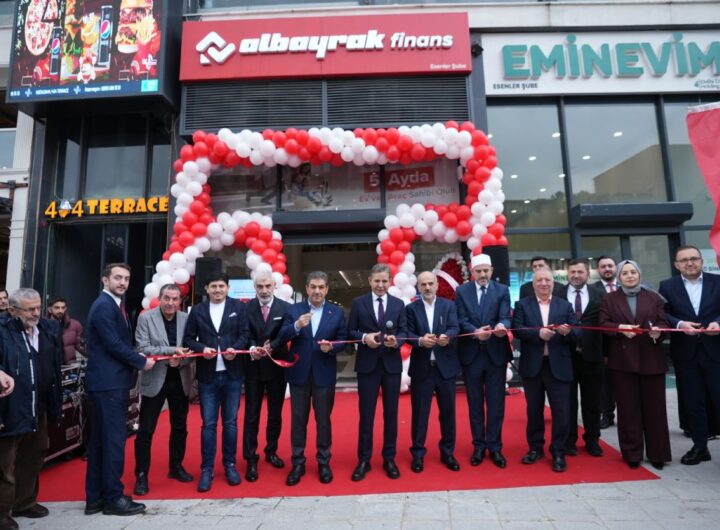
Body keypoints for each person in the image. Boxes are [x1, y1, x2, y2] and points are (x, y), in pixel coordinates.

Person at [85, 263, 155, 517]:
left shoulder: (112, 305)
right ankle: (113, 498)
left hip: (106, 383)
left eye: (126, 278)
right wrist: (140, 361)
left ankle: (96, 498)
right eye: (117, 278)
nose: (123, 282)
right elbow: (113, 344)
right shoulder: (104, 306)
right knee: (113, 442)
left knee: (100, 443)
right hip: (109, 384)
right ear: (105, 280)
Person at [600, 260, 671, 469]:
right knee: (628, 409)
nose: (630, 276)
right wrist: (620, 328)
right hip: (623, 362)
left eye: (633, 272)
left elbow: (663, 321)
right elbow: (603, 324)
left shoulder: (653, 297)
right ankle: (632, 454)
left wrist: (658, 332)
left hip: (651, 359)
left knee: (655, 410)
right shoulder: (609, 298)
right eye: (625, 273)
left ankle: (658, 453)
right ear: (619, 277)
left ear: (639, 275)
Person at [0, 289, 62, 530]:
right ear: (12, 311)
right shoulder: (3, 331)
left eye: (38, 307)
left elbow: (53, 365)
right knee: (4, 463)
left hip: (40, 405)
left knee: (34, 455)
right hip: (10, 407)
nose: (36, 313)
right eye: (29, 309)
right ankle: (2, 513)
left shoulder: (47, 329)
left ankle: (24, 502)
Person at [279, 271, 347, 486]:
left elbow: (344, 339)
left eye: (321, 287)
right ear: (307, 288)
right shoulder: (294, 310)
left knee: (323, 420)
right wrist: (297, 326)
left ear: (327, 289)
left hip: (324, 373)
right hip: (299, 372)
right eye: (313, 287)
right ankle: (297, 462)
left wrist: (332, 347)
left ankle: (323, 462)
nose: (317, 291)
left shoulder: (336, 312)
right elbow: (282, 335)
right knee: (298, 420)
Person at [183, 272, 248, 492]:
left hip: (232, 374)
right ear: (207, 288)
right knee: (208, 424)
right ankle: (207, 469)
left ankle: (230, 465)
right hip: (208, 375)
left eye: (221, 286)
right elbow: (188, 338)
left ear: (228, 288)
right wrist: (202, 348)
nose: (218, 290)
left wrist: (234, 349)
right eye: (213, 286)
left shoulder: (239, 308)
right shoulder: (198, 310)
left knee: (230, 423)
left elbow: (245, 334)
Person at [658, 245, 720, 465]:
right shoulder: (667, 286)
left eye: (694, 258)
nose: (690, 263)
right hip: (686, 353)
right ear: (677, 265)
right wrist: (679, 324)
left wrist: (718, 323)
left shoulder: (717, 281)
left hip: (716, 351)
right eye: (684, 260)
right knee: (693, 402)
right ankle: (700, 446)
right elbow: (662, 313)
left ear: (702, 261)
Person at [512, 267, 576, 473]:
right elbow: (517, 329)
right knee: (534, 410)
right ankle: (535, 448)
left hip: (559, 366)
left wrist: (567, 332)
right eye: (539, 280)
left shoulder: (565, 305)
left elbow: (577, 332)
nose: (544, 284)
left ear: (553, 283)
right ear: (533, 284)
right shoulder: (522, 305)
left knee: (561, 412)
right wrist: (538, 334)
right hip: (533, 366)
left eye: (547, 280)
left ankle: (558, 451)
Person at [348, 263, 407, 481]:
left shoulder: (399, 304)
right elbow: (350, 330)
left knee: (391, 414)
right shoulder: (358, 303)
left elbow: (404, 331)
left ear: (390, 281)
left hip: (391, 366)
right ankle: (364, 460)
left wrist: (396, 341)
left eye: (384, 281)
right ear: (370, 281)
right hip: (367, 366)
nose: (380, 285)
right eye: (377, 281)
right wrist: (365, 338)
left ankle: (389, 458)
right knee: (366, 415)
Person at [133, 284, 194, 496]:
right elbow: (143, 348)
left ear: (180, 301)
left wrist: (181, 361)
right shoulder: (146, 318)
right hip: (155, 379)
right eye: (166, 298)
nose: (170, 303)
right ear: (159, 298)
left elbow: (191, 349)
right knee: (146, 430)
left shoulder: (187, 319)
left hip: (180, 379)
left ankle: (175, 467)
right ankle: (141, 475)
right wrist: (171, 352)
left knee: (180, 427)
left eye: (175, 299)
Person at [455, 253, 512, 469]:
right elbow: (460, 319)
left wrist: (501, 326)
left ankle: (495, 446)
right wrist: (475, 332)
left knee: (496, 404)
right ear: (472, 272)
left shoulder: (502, 290)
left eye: (486, 270)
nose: (482, 274)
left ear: (491, 271)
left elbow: (505, 316)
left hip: (495, 354)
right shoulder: (462, 291)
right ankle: (478, 446)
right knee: (475, 403)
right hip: (472, 355)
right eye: (478, 271)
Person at [406, 271, 461, 473]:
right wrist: (420, 340)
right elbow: (407, 333)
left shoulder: (449, 305)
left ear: (437, 285)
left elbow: (455, 327)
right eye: (423, 284)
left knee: (448, 413)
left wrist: (448, 336)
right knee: (420, 414)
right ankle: (418, 454)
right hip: (422, 369)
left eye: (430, 283)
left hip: (445, 368)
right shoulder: (411, 308)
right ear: (418, 287)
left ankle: (448, 453)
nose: (427, 287)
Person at [242, 271, 290, 482]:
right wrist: (252, 347)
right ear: (254, 287)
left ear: (274, 286)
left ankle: (271, 451)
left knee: (275, 413)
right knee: (251, 415)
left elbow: (286, 333)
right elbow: (244, 333)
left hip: (276, 368)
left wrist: (274, 345)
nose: (264, 290)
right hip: (253, 368)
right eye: (260, 286)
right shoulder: (246, 308)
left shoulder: (285, 308)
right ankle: (250, 458)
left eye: (267, 286)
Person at [564, 258, 605, 457]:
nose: (576, 275)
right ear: (567, 274)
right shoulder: (558, 293)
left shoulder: (600, 294)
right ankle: (569, 440)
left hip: (593, 356)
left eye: (580, 272)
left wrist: (607, 354)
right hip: (565, 356)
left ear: (588, 274)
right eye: (572, 272)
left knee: (592, 402)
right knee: (567, 402)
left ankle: (592, 440)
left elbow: (605, 324)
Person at [594, 256, 618, 430]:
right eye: (603, 266)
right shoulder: (592, 289)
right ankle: (607, 414)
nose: (607, 269)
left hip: (627, 342)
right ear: (598, 270)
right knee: (605, 383)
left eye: (610, 265)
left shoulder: (625, 284)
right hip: (603, 343)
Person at [47, 297, 86, 364]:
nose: (60, 311)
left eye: (63, 308)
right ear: (50, 309)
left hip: (69, 367)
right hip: (50, 367)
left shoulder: (75, 325)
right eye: (57, 308)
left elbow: (81, 347)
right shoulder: (42, 326)